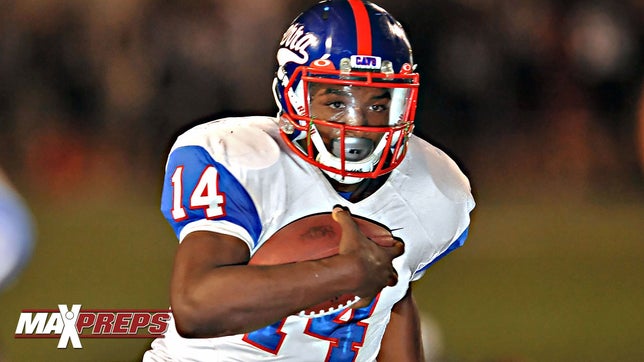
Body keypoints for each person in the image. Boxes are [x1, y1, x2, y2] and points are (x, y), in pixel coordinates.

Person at [144, 1, 475, 361]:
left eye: (379, 105)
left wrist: (367, 277)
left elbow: (393, 294)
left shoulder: (438, 188)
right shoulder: (241, 157)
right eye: (336, 102)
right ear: (292, 95)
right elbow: (197, 307)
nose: (358, 124)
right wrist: (341, 273)